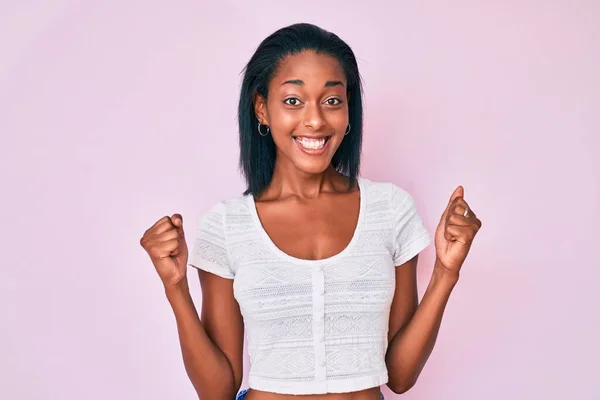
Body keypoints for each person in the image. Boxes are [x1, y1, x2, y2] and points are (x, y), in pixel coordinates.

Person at [139, 23, 482, 400]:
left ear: (349, 109)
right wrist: (175, 288)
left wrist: (446, 272)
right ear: (261, 109)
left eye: (332, 100)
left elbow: (399, 376)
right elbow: (218, 391)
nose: (315, 119)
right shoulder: (227, 225)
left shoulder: (391, 210)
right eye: (293, 101)